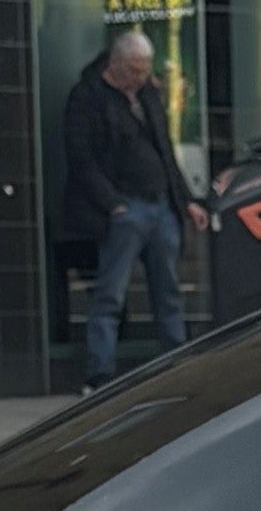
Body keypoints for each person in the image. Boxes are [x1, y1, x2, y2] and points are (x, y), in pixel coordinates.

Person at [58, 23, 201, 384]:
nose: (139, 77)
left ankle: (176, 363)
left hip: (158, 204)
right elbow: (82, 159)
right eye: (133, 70)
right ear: (116, 63)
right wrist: (112, 205)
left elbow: (164, 150)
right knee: (110, 294)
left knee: (167, 291)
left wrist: (184, 201)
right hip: (125, 207)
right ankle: (100, 373)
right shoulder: (88, 97)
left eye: (144, 69)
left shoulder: (147, 95)